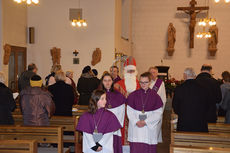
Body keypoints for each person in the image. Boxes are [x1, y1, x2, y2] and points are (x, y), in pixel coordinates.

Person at [127, 72, 163, 153]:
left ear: (150, 82)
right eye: (141, 82)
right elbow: (129, 111)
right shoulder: (133, 95)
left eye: (145, 82)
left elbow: (158, 113)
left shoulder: (155, 96)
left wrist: (145, 122)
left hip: (148, 129)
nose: (143, 84)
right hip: (136, 129)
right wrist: (136, 121)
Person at [173, 68, 209, 132]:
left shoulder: (179, 88)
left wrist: (182, 113)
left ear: (185, 75)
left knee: (183, 141)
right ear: (194, 76)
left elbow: (175, 106)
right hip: (200, 122)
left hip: (184, 122)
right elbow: (207, 105)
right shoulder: (203, 88)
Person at [114, 56, 140, 145]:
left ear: (135, 72)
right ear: (125, 71)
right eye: (129, 71)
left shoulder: (139, 84)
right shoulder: (118, 85)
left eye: (132, 71)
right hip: (122, 113)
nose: (130, 73)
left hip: (135, 112)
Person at [101, 73, 126, 153]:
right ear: (102, 82)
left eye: (109, 80)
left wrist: (115, 124)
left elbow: (122, 111)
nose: (107, 83)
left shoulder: (118, 94)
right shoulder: (98, 94)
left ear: (112, 82)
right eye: (105, 81)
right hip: (102, 127)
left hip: (114, 127)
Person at [148, 66, 166, 143]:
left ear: (157, 73)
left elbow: (163, 98)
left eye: (154, 72)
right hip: (147, 110)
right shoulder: (146, 82)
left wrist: (161, 110)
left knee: (156, 127)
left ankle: (154, 143)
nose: (152, 74)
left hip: (156, 109)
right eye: (151, 72)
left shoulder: (160, 83)